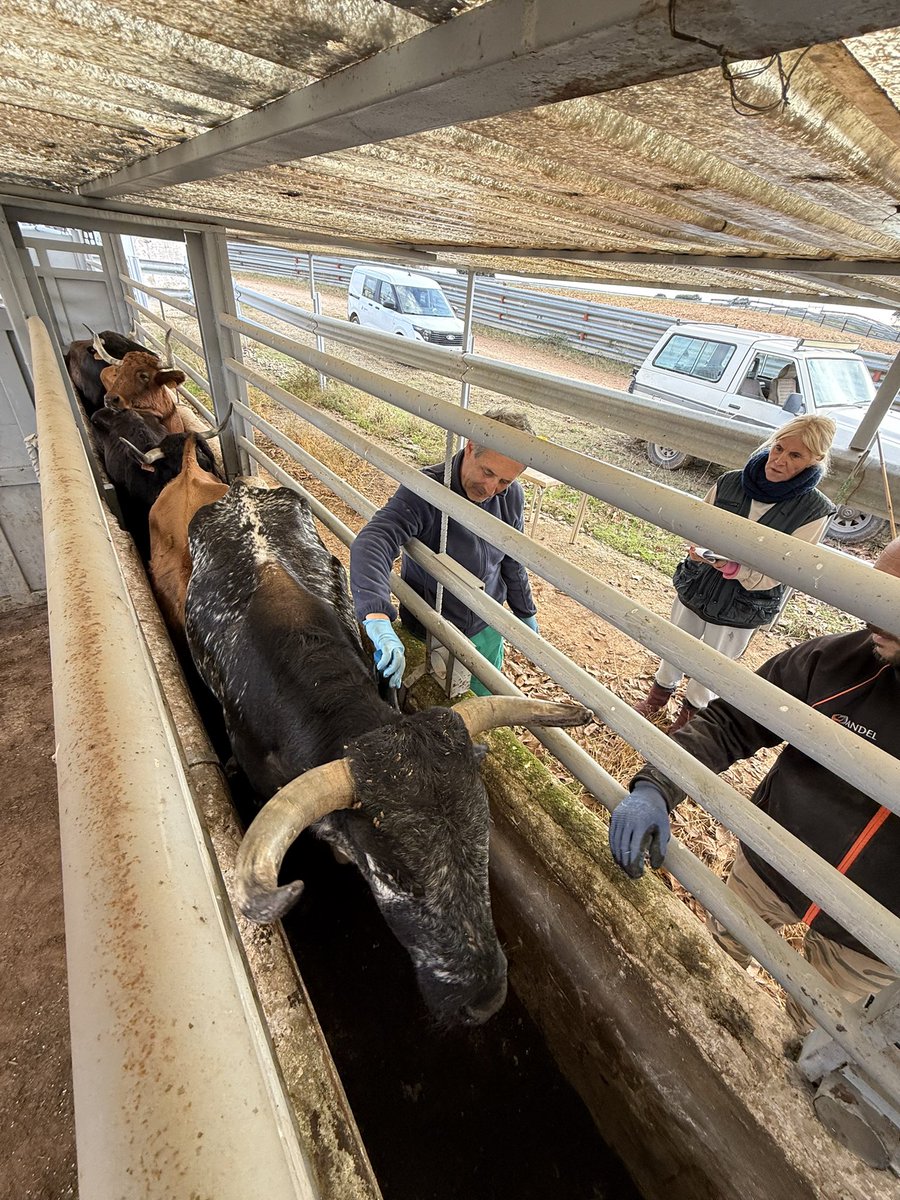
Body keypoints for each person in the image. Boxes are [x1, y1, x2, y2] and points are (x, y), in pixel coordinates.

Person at [609, 535, 900, 1028]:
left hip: (871, 933)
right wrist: (658, 783)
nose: (869, 616)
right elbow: (732, 722)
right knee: (708, 974)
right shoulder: (836, 662)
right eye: (871, 592)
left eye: (891, 603)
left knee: (810, 1036)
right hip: (769, 865)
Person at [635, 414, 837, 734]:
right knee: (675, 644)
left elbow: (786, 569)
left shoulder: (814, 510)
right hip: (699, 583)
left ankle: (690, 717)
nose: (780, 460)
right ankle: (658, 696)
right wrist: (698, 547)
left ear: (815, 459)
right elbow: (697, 523)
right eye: (779, 448)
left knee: (713, 665)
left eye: (795, 455)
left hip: (741, 605)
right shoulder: (731, 481)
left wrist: (736, 570)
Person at [350, 405, 539, 696]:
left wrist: (524, 611)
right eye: (488, 472)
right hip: (434, 629)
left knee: (485, 698)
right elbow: (375, 539)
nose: (491, 488)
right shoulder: (426, 490)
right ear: (471, 446)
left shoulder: (511, 496)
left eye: (504, 480)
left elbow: (512, 558)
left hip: (487, 624)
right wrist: (376, 616)